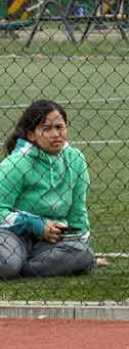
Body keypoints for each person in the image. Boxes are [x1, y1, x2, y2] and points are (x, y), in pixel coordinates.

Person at [0, 100, 94, 280]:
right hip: (11, 234)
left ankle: (23, 266)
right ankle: (20, 265)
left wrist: (81, 244)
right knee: (8, 264)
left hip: (50, 241)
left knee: (84, 254)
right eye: (47, 128)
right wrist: (36, 224)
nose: (56, 134)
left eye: (60, 127)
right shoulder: (15, 164)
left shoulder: (75, 159)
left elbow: (77, 210)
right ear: (32, 135)